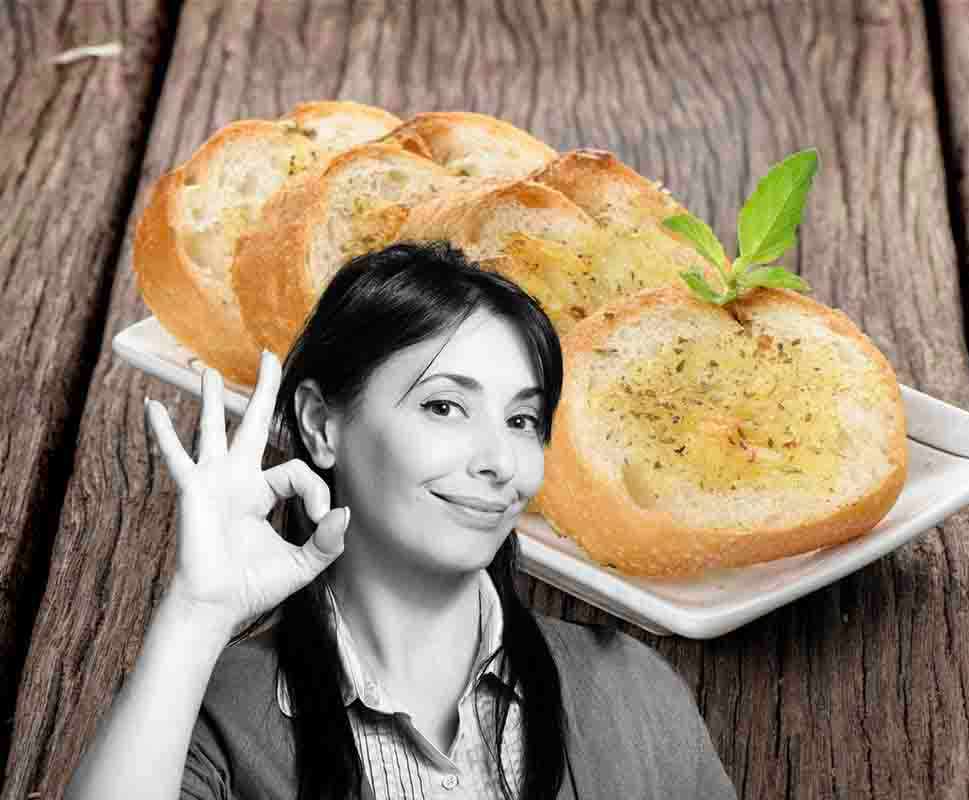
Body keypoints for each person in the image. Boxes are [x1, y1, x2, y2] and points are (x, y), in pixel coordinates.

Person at [66, 240, 738, 800]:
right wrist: (196, 610)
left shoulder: (631, 692)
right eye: (444, 407)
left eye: (522, 420)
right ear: (322, 425)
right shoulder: (216, 714)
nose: (499, 461)